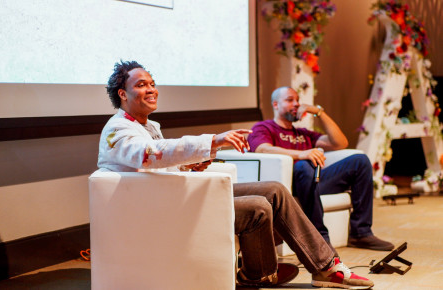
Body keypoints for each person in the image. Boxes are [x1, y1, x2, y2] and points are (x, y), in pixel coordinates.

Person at [97, 61, 374, 289]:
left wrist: (188, 166)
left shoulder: (148, 125)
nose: (151, 89)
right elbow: (148, 155)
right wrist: (214, 141)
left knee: (274, 190)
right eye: (141, 85)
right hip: (162, 206)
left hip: (174, 193)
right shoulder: (117, 129)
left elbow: (157, 163)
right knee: (257, 207)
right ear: (123, 94)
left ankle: (326, 267)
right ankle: (258, 274)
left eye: (152, 83)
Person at [247, 86, 394, 252]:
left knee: (359, 161)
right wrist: (301, 154)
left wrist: (318, 112)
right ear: (275, 104)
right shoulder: (264, 127)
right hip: (289, 186)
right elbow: (262, 149)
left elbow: (340, 143)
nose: (296, 104)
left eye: (297, 100)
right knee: (304, 165)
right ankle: (319, 239)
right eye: (289, 100)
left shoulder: (303, 133)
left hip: (313, 183)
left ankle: (361, 233)